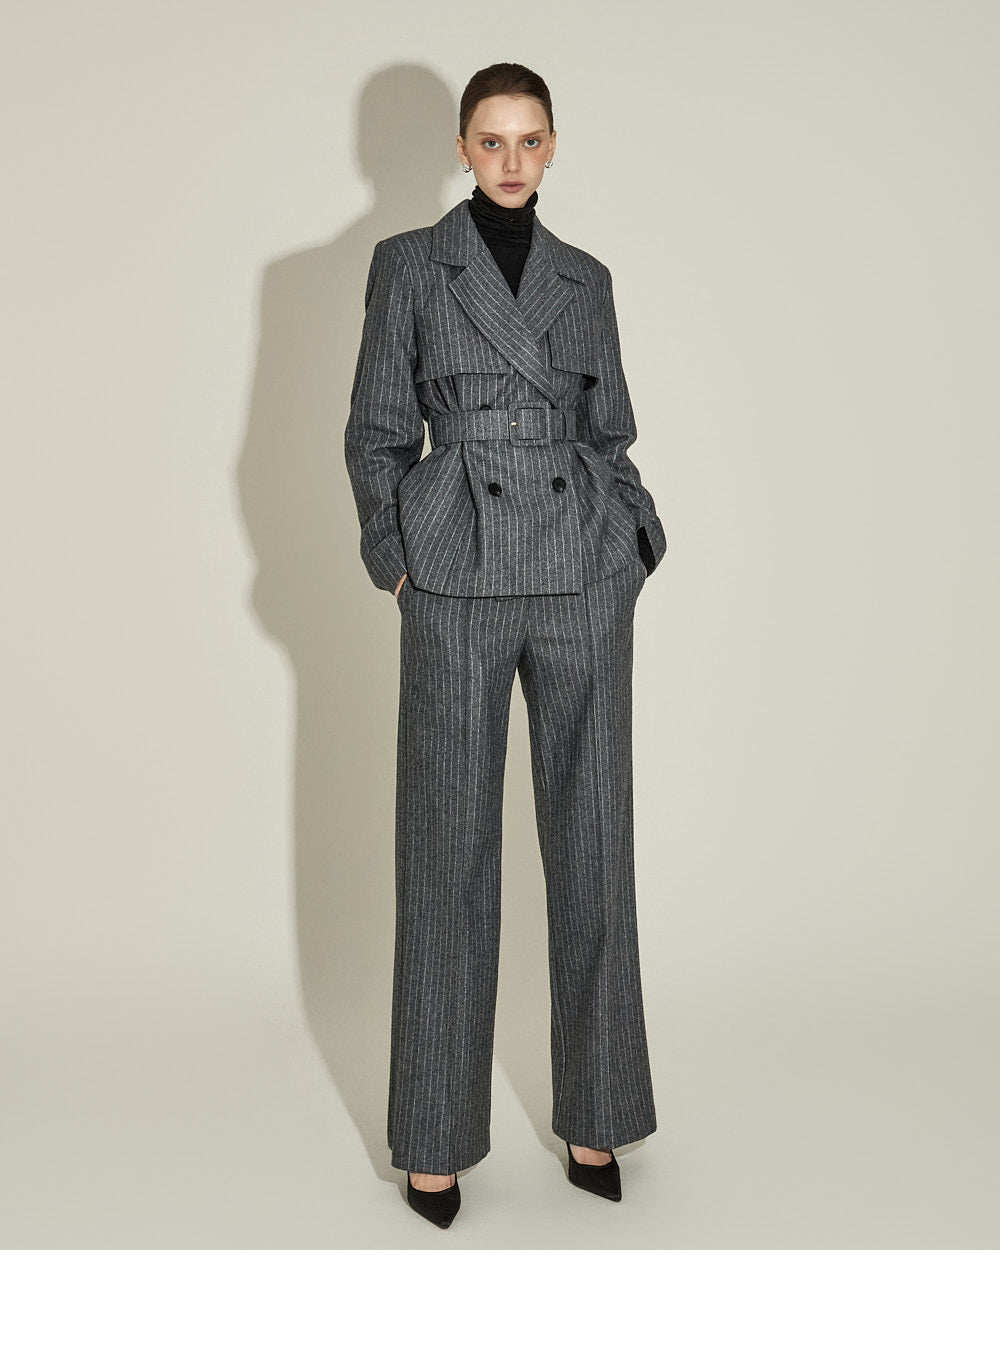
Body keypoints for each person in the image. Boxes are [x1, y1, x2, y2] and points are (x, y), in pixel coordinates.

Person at [344, 62, 666, 1229]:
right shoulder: (409, 266)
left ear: (553, 145)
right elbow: (377, 430)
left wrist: (632, 539)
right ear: (462, 148)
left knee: (594, 845)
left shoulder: (586, 279)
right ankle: (434, 1135)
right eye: (492, 141)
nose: (512, 160)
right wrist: (401, 558)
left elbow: (610, 429)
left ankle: (596, 1113)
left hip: (580, 573)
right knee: (447, 855)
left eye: (531, 140)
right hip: (459, 573)